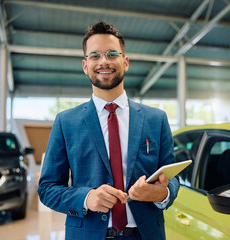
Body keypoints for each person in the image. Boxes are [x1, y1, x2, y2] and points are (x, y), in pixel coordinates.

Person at [38, 21, 179, 240]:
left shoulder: (156, 119)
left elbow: (172, 177)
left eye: (112, 54)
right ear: (85, 66)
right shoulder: (66, 121)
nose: (104, 61)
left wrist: (164, 193)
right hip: (87, 234)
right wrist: (86, 198)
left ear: (125, 62)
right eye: (95, 56)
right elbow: (47, 188)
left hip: (146, 234)